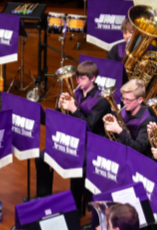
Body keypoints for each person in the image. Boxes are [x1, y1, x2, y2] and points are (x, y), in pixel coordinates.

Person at [35, 61, 111, 212]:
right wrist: (60, 105)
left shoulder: (102, 101)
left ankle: (75, 209)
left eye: (82, 78)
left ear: (93, 78)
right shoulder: (76, 92)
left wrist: (73, 109)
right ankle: (43, 198)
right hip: (72, 140)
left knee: (76, 165)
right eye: (77, 78)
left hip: (91, 145)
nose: (78, 82)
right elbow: (62, 118)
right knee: (41, 157)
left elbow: (88, 126)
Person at [102, 79, 157, 155]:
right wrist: (110, 123)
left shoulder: (148, 120)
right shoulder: (123, 110)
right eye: (123, 98)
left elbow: (138, 148)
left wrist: (119, 131)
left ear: (140, 100)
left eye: (128, 100)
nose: (124, 102)